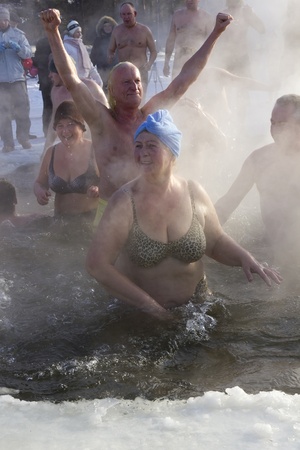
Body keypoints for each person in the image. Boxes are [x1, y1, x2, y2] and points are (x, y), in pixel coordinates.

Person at [40, 8, 232, 227]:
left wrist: (216, 33)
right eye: (126, 82)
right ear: (111, 90)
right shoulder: (100, 120)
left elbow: (185, 78)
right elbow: (71, 80)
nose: (135, 87)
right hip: (112, 210)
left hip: (149, 207)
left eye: (138, 82)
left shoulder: (149, 116)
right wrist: (53, 31)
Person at [86, 110, 281, 320]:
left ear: (172, 153)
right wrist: (151, 307)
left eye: (152, 145)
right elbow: (97, 265)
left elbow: (214, 241)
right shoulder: (124, 202)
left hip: (198, 309)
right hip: (141, 317)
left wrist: (246, 258)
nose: (143, 152)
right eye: (138, 145)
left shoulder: (193, 192)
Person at [214, 94, 300, 264]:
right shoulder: (259, 160)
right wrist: (194, 232)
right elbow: (227, 204)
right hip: (274, 254)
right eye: (272, 123)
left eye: (282, 124)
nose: (274, 129)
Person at [34, 100, 100, 219]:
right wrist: (39, 192)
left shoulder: (95, 150)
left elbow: (113, 184)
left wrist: (99, 189)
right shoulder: (51, 153)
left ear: (81, 126)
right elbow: (39, 182)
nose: (65, 131)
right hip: (60, 219)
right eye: (60, 126)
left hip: (91, 219)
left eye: (70, 124)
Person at [43, 57, 107, 154]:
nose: (49, 75)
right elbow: (54, 121)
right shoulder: (56, 92)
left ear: (62, 72)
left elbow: (107, 116)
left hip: (95, 141)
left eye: (52, 71)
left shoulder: (90, 87)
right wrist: (46, 149)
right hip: (72, 142)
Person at [107, 2, 157, 99]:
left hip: (141, 70)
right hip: (123, 71)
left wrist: (149, 63)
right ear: (120, 15)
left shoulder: (144, 30)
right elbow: (110, 49)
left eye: (129, 14)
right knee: (124, 98)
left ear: (135, 14)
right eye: (124, 14)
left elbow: (154, 51)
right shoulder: (117, 31)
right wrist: (110, 55)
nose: (126, 17)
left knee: (140, 98)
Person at [0, 6, 32, 152]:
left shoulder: (18, 35)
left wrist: (17, 47)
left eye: (5, 20)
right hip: (1, 81)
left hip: (17, 78)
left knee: (22, 110)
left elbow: (28, 53)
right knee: (3, 113)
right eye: (1, 20)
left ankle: (23, 138)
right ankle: (8, 143)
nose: (3, 22)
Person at [163, 0, 214, 79]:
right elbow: (171, 40)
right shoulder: (177, 16)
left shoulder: (206, 17)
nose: (189, 1)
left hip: (197, 58)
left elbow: (211, 42)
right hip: (179, 58)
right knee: (176, 88)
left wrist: (210, 63)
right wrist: (166, 62)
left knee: (197, 87)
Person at [217, 0, 265, 76]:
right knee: (226, 83)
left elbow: (262, 29)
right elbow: (214, 36)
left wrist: (252, 15)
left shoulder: (245, 13)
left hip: (242, 57)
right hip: (226, 57)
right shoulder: (223, 14)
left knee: (246, 84)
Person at [63, 19, 103, 87]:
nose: (80, 34)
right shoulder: (66, 46)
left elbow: (89, 65)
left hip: (86, 81)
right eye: (77, 32)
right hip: (74, 83)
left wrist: (97, 78)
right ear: (72, 33)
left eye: (80, 32)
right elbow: (65, 66)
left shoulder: (81, 45)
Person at [90, 16, 118, 93]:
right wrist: (89, 68)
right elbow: (93, 55)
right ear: (102, 27)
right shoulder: (98, 40)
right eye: (105, 26)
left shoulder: (117, 38)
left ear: (113, 26)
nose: (107, 28)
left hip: (115, 69)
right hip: (102, 70)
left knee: (115, 91)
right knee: (104, 92)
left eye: (109, 26)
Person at [32, 36, 53, 136]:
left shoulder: (41, 42)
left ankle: (47, 130)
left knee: (48, 106)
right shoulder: (57, 40)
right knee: (52, 106)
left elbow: (36, 61)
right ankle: (50, 130)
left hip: (45, 79)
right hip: (51, 79)